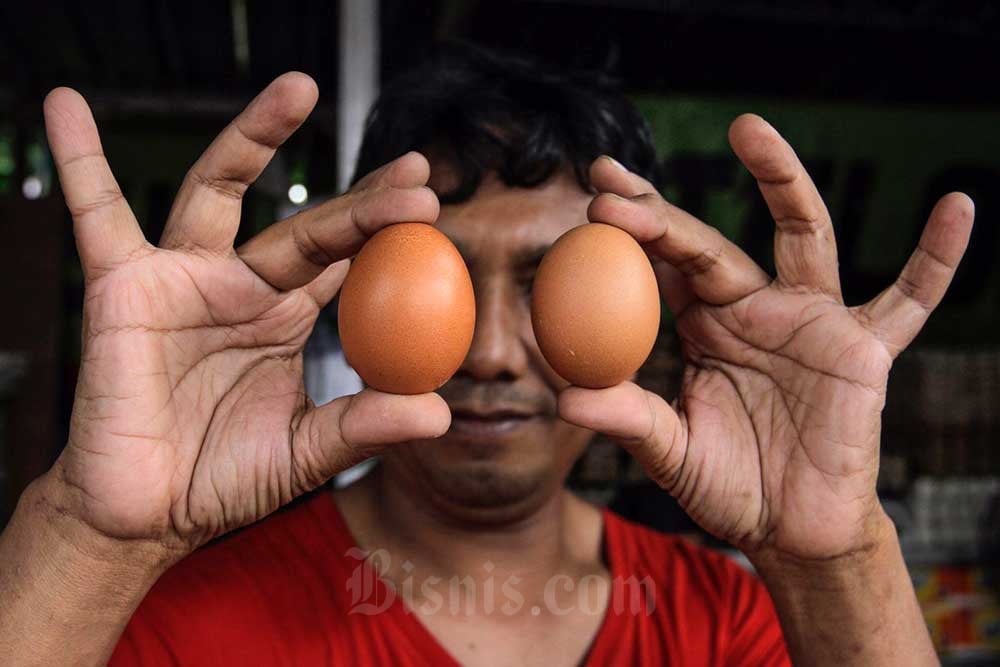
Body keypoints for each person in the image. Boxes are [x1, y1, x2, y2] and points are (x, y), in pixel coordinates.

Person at [0, 44, 973, 666]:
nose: (496, 353)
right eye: (446, 281)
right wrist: (93, 541)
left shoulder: (725, 624)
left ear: (652, 307)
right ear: (347, 288)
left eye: (552, 285)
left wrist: (835, 560)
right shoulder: (192, 625)